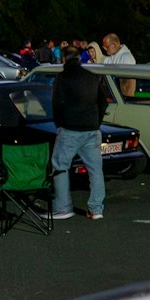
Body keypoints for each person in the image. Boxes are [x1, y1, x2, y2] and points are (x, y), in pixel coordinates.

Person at [50, 50, 109, 222]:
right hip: (92, 129)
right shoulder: (92, 77)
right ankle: (96, 209)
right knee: (95, 170)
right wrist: (96, 122)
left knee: (60, 166)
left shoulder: (63, 77)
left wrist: (60, 123)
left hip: (70, 128)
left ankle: (62, 208)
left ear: (64, 59)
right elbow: (103, 102)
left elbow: (57, 103)